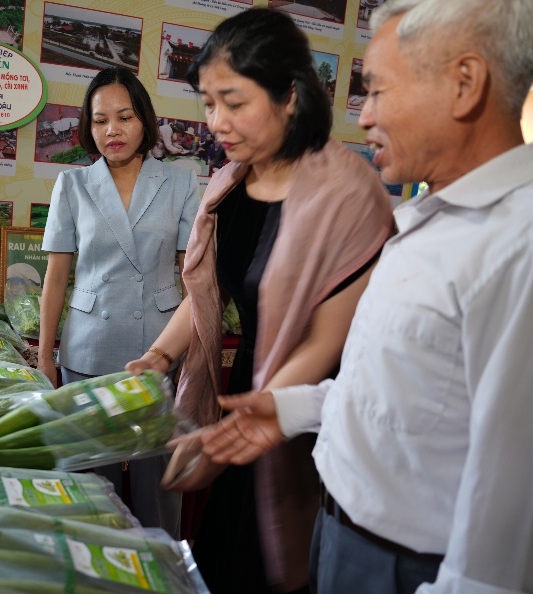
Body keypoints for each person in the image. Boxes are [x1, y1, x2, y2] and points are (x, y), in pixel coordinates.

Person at [200, 1, 533, 592]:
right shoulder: (426, 220)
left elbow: (512, 509)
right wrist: (291, 409)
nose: (363, 117)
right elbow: (399, 390)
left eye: (378, 91)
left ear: (465, 84)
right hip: (340, 533)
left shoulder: (525, 247)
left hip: (410, 567)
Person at [125, 7, 394, 593]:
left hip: (311, 406)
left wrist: (255, 417)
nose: (217, 122)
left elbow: (327, 340)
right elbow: (207, 293)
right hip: (247, 390)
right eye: (208, 103)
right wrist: (160, 357)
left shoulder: (347, 192)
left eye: (234, 102)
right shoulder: (231, 183)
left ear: (289, 96)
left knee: (281, 558)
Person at [38, 66, 201, 539]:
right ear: (88, 128)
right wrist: (45, 355)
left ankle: (161, 566)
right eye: (100, 120)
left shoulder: (180, 182)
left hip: (159, 348)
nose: (113, 130)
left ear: (144, 121)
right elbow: (56, 277)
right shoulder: (72, 185)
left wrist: (192, 353)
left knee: (158, 491)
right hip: (88, 347)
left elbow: (194, 276)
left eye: (125, 117)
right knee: (89, 490)